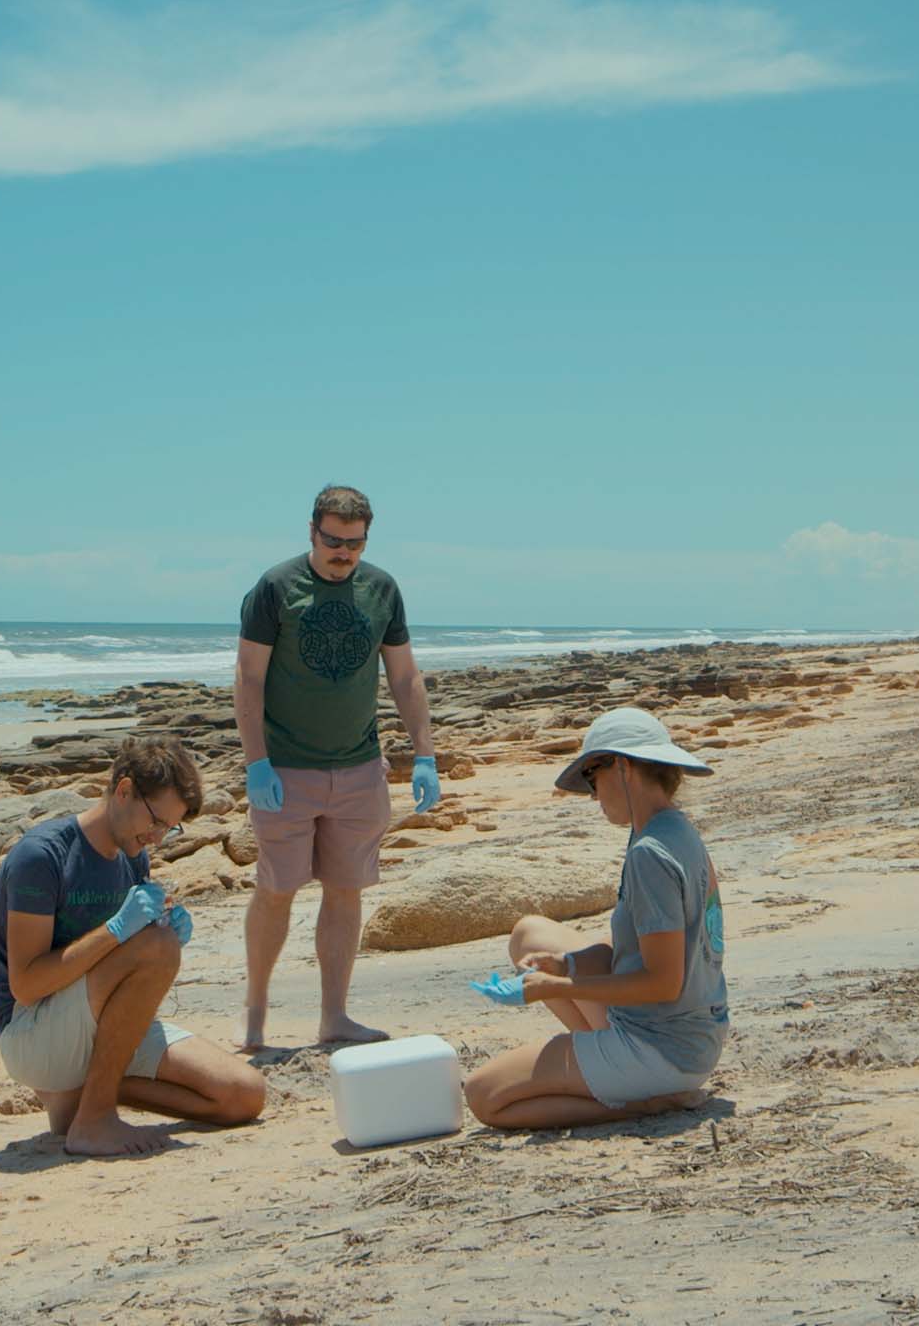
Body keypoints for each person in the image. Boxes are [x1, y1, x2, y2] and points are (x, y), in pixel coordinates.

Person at [0, 735, 266, 1158]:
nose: (156, 837)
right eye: (155, 822)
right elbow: (25, 986)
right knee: (158, 947)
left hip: (99, 1026)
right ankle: (94, 1121)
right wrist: (120, 931)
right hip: (31, 1034)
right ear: (123, 790)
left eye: (169, 829)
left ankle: (81, 1098)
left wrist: (157, 928)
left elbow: (127, 965)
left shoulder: (132, 857)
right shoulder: (41, 857)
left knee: (242, 1095)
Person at [235, 483, 439, 1051]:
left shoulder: (382, 589)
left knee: (346, 890)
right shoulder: (275, 589)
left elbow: (404, 675)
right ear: (311, 532)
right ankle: (255, 1013)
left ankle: (335, 1017)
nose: (343, 553)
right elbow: (249, 677)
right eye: (333, 541)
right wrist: (257, 764)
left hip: (359, 770)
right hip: (286, 770)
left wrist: (424, 753)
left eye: (353, 543)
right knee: (277, 889)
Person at [463, 706, 728, 1129]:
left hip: (661, 1049)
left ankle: (645, 1102)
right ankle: (604, 1072)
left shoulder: (649, 855)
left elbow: (663, 981)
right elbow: (640, 955)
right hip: (694, 1033)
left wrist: (557, 986)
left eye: (591, 776)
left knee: (483, 1096)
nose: (592, 794)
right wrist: (565, 964)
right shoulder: (671, 829)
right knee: (530, 934)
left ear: (622, 767)